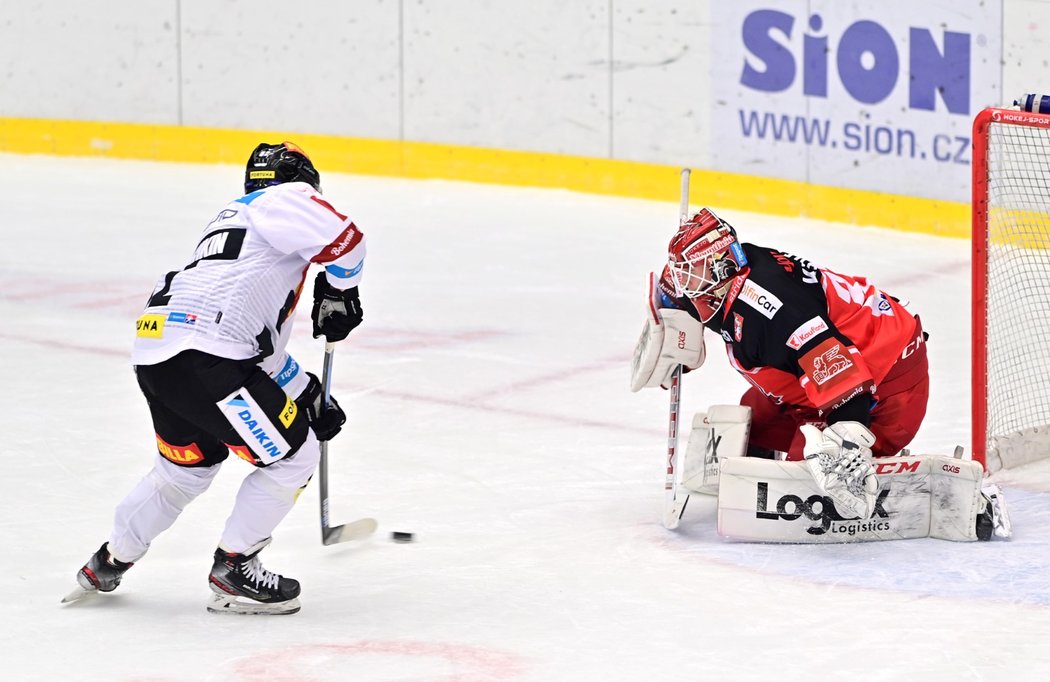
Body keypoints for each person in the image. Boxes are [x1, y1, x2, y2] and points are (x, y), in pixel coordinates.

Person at [66, 142, 366, 615]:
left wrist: (304, 392)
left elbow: (258, 350)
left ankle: (109, 560)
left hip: (161, 353)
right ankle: (234, 568)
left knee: (186, 468)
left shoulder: (237, 230)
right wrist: (340, 293)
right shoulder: (284, 199)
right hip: (209, 355)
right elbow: (348, 240)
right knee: (294, 456)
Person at [631, 208, 929, 519]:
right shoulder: (729, 277)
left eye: (691, 271)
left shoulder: (776, 316)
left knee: (807, 479)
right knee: (756, 421)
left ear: (721, 266)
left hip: (888, 380)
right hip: (840, 350)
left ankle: (869, 468)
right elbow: (675, 295)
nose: (683, 283)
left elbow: (847, 383)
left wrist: (846, 446)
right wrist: (669, 320)